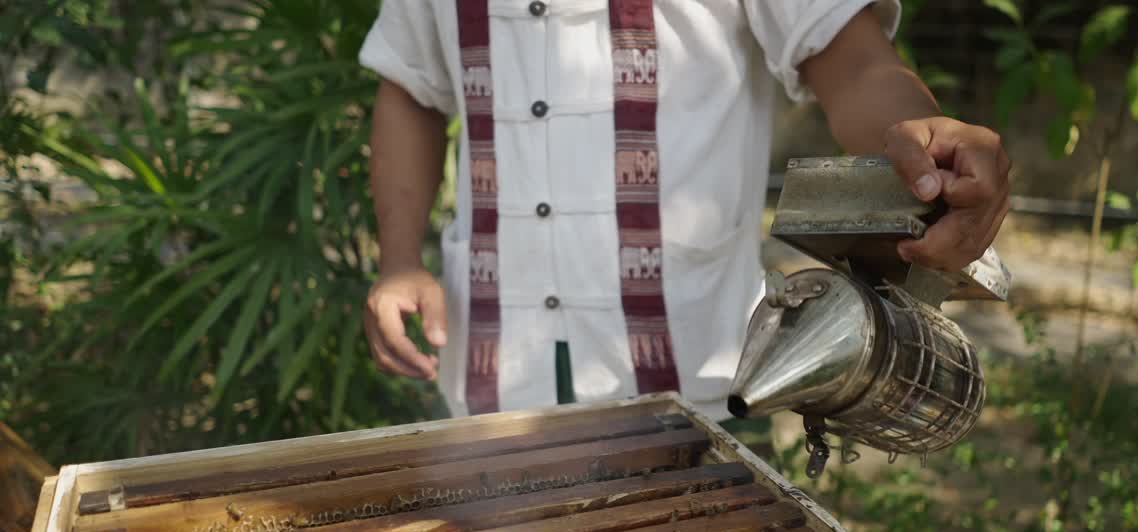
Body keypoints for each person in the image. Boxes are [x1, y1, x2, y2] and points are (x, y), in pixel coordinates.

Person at [358, 1, 1010, 432]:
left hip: (701, 387)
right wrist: (398, 260)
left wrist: (921, 138)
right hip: (488, 380)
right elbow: (411, 87)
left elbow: (856, 64)